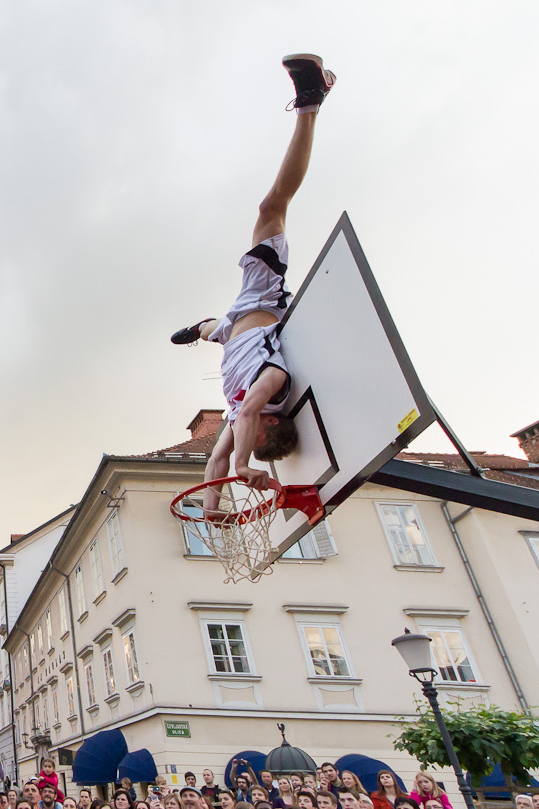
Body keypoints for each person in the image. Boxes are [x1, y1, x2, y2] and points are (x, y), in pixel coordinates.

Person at [170, 55, 339, 502]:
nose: (243, 429)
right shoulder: (274, 386)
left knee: (215, 331)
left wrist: (211, 506)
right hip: (262, 299)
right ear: (270, 422)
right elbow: (244, 417)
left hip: (231, 333)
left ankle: (201, 328)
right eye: (252, 434)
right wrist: (246, 465)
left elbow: (215, 462)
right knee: (270, 209)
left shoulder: (240, 411)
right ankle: (311, 103)